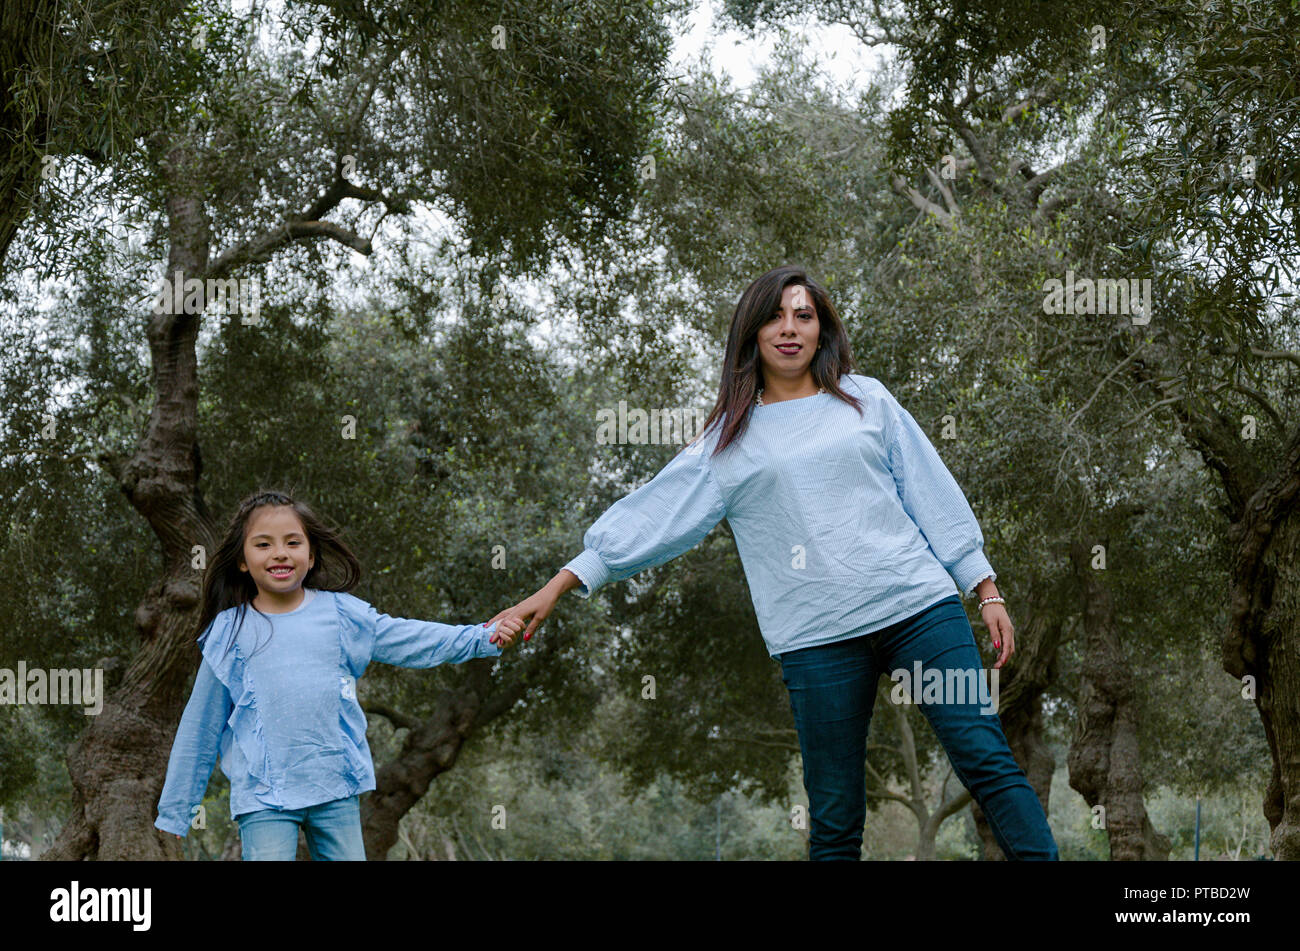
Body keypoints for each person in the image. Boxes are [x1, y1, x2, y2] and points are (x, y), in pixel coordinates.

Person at [492, 265, 1059, 860]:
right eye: (775, 315)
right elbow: (651, 516)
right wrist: (558, 585)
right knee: (837, 818)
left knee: (987, 761)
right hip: (816, 639)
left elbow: (929, 489)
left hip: (918, 609)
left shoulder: (868, 400)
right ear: (752, 331)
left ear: (822, 330)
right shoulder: (726, 443)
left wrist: (984, 587)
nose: (789, 329)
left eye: (804, 316)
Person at [155, 489, 523, 860]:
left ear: (311, 555)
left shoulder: (342, 615)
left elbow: (410, 638)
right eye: (263, 544)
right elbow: (199, 728)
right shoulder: (229, 632)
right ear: (242, 562)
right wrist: (175, 813)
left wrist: (481, 637)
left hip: (334, 783)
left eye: (292, 542)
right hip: (263, 794)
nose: (280, 552)